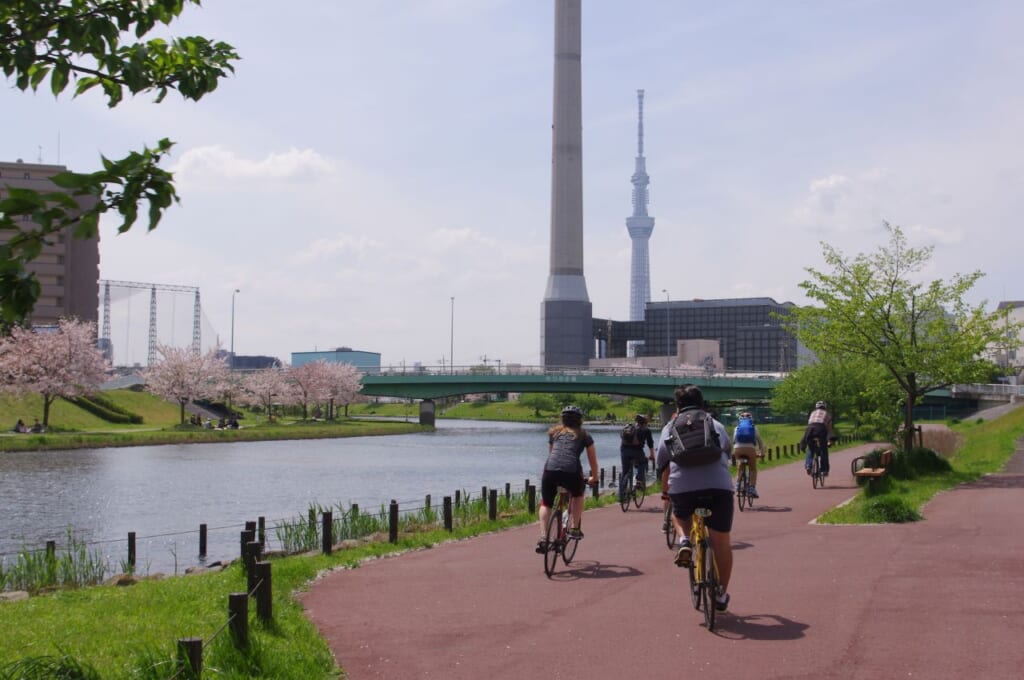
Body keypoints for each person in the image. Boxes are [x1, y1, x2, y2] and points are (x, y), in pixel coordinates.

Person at [656, 384, 734, 612]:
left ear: (678, 406)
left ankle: (683, 540)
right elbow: (727, 451)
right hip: (718, 487)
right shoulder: (714, 424)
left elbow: (662, 459)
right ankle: (720, 595)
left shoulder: (670, 426)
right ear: (702, 403)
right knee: (721, 542)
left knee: (679, 515)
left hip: (683, 487)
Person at [536, 405, 599, 554]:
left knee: (546, 503)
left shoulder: (554, 433)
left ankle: (544, 538)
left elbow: (552, 454)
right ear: (580, 421)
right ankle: (575, 529)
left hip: (550, 470)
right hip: (571, 471)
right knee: (577, 494)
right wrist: (594, 478)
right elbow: (593, 461)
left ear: (562, 419)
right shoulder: (584, 436)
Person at [619, 414, 655, 502]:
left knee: (625, 472)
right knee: (643, 462)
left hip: (624, 450)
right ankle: (639, 480)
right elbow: (650, 443)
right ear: (645, 423)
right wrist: (652, 455)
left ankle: (621, 496)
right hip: (637, 451)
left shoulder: (628, 428)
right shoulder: (646, 430)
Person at [732, 411, 766, 498]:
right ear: (751, 419)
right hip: (750, 449)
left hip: (737, 449)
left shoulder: (737, 428)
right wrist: (762, 453)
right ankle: (752, 489)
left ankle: (738, 485)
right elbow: (761, 443)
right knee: (753, 469)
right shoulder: (754, 428)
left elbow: (734, 441)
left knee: (740, 466)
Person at [801, 400, 834, 475]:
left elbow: (809, 424)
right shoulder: (827, 414)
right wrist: (830, 441)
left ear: (816, 407)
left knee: (811, 449)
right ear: (825, 407)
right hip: (821, 429)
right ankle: (824, 469)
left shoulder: (812, 413)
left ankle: (808, 465)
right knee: (823, 449)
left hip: (810, 430)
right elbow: (829, 430)